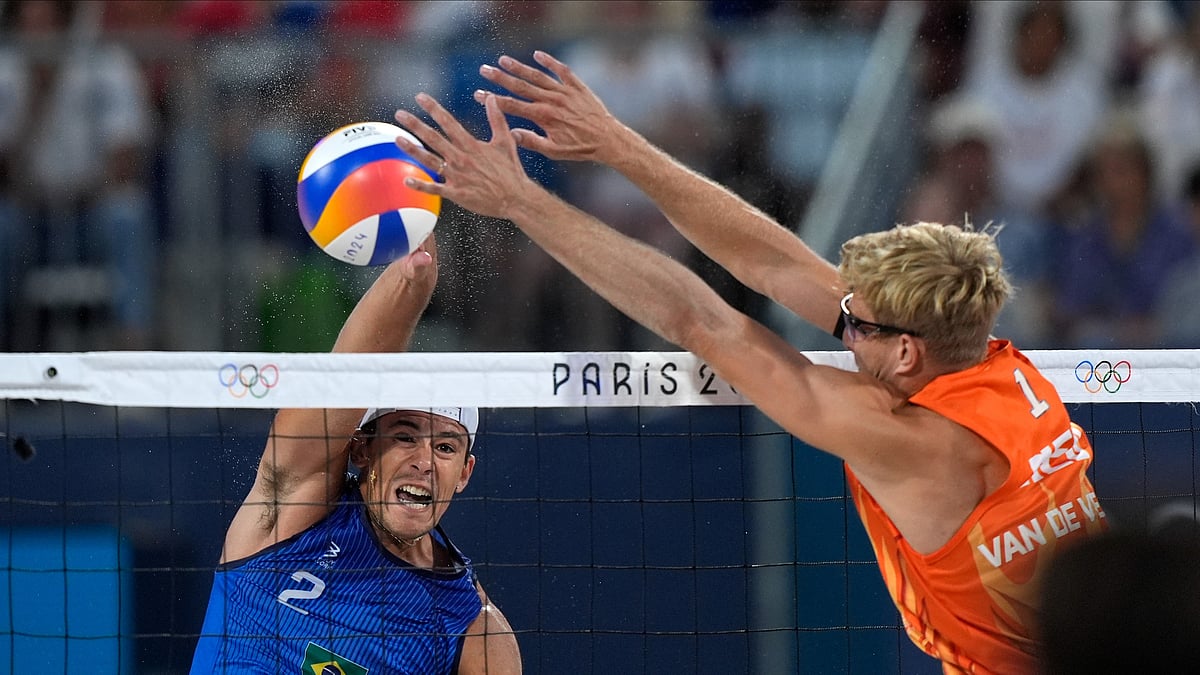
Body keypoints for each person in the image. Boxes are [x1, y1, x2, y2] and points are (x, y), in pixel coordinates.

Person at [389, 51, 1107, 674]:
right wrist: (617, 144)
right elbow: (771, 262)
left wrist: (520, 200)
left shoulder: (913, 442)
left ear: (907, 351)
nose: (840, 323)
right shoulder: (988, 359)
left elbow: (699, 319)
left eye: (853, 324)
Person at [190, 238, 521, 674]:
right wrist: (411, 280)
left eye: (444, 447)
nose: (424, 460)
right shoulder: (291, 512)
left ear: (464, 473)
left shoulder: (474, 630)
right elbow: (348, 369)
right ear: (362, 449)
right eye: (405, 437)